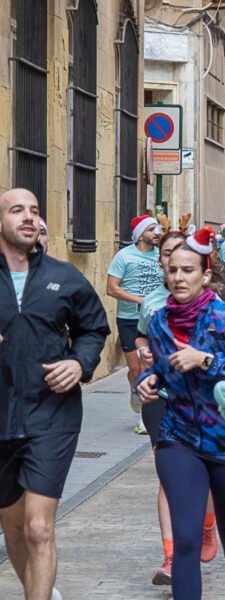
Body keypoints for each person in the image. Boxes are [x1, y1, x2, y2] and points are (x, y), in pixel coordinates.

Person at [134, 228, 225, 599]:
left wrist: (206, 360)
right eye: (172, 270)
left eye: (187, 270)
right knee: (185, 538)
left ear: (205, 274)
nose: (178, 277)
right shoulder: (158, 321)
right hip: (179, 436)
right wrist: (149, 377)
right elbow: (165, 370)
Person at [0, 188, 110, 600]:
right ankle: (39, 589)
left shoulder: (64, 277)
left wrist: (80, 363)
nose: (28, 217)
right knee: (12, 528)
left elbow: (94, 328)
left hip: (51, 413)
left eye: (33, 210)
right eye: (17, 211)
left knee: (38, 527)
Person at [135, 229, 221, 585]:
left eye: (184, 260)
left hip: (207, 402)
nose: (177, 269)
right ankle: (171, 556)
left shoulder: (217, 306)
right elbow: (141, 336)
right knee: (167, 475)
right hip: (164, 401)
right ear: (162, 264)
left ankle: (207, 523)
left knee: (207, 472)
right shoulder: (153, 303)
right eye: (169, 258)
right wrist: (143, 354)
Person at [106, 214, 164, 432]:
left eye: (157, 229)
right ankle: (136, 390)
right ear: (140, 235)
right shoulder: (124, 256)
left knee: (149, 365)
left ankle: (143, 417)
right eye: (151, 230)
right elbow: (111, 288)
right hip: (130, 319)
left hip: (155, 319)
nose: (156, 234)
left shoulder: (161, 256)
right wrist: (140, 299)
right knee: (135, 368)